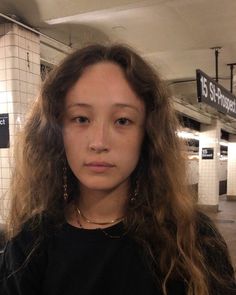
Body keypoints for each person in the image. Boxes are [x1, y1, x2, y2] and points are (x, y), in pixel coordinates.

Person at [0, 44, 235, 295]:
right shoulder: (31, 244)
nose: (99, 142)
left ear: (147, 134)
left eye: (122, 121)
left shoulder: (192, 240)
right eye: (81, 119)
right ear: (57, 132)